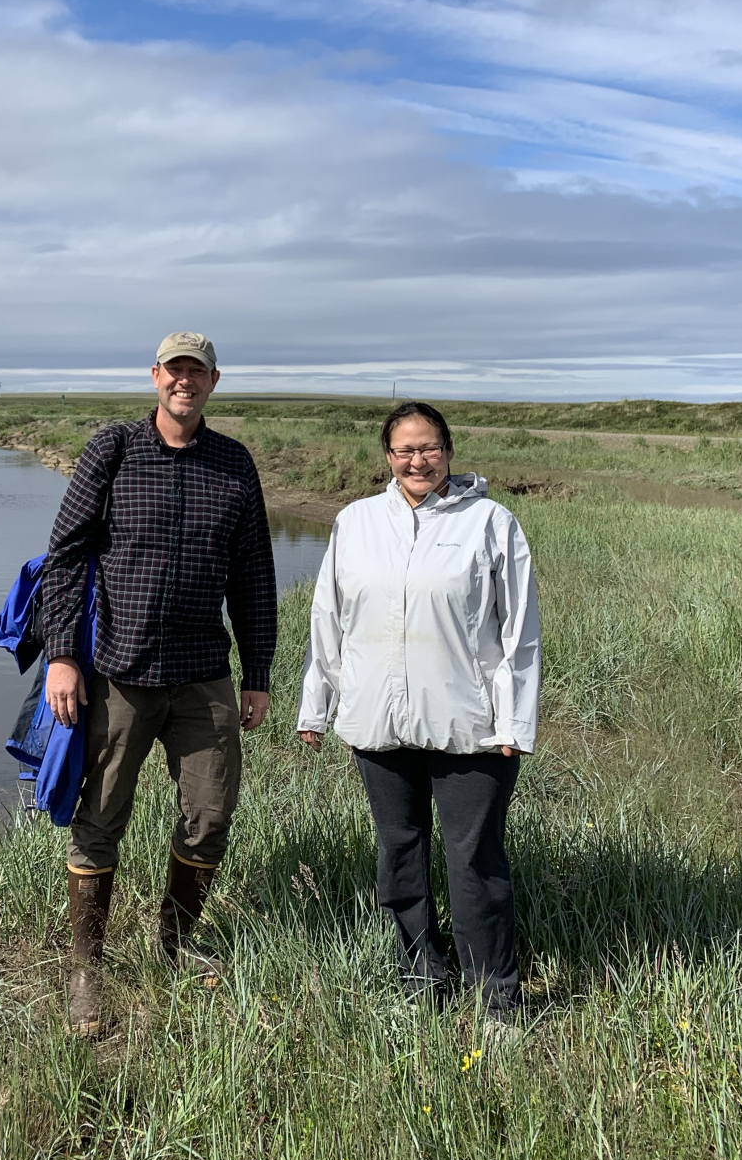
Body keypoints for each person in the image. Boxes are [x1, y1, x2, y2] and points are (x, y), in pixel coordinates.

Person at [40, 332, 278, 1035]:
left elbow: (256, 577)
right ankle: (87, 970)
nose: (185, 382)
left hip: (204, 677)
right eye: (174, 371)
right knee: (100, 819)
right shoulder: (113, 450)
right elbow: (65, 556)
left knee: (210, 816)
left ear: (212, 382)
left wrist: (257, 673)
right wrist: (61, 654)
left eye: (196, 372)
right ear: (155, 378)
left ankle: (174, 946)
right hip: (118, 673)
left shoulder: (233, 463)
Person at [296, 401, 539, 1026]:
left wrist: (514, 722)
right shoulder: (356, 522)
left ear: (450, 453)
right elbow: (329, 617)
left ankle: (496, 1003)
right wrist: (316, 707)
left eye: (429, 448)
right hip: (378, 720)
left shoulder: (490, 522)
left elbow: (519, 631)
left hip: (471, 726)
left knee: (474, 861)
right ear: (387, 458)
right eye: (404, 450)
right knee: (399, 852)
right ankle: (422, 980)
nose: (417, 460)